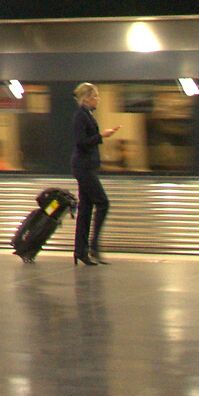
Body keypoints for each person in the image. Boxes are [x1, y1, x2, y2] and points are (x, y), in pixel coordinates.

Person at [72, 82, 118, 265]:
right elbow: (81, 142)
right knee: (103, 203)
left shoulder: (87, 115)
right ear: (87, 98)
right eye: (95, 96)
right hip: (83, 167)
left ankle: (81, 251)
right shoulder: (80, 116)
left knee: (86, 208)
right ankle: (93, 246)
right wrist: (102, 136)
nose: (98, 99)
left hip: (87, 166)